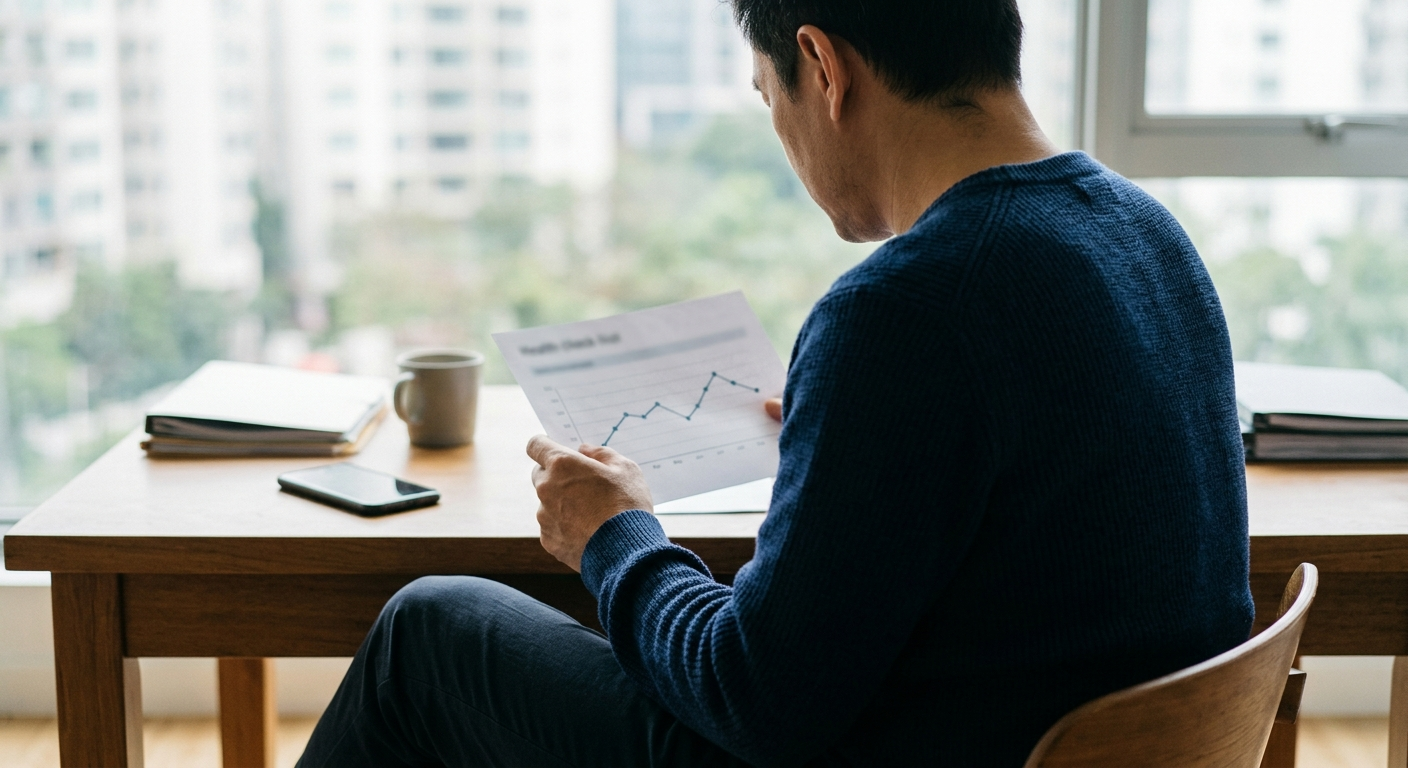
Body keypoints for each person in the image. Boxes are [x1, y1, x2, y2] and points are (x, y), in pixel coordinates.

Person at [297, 0, 1255, 765]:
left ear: (824, 67)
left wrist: (614, 535)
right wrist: (866, 428)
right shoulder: (1147, 234)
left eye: (768, 96)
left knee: (427, 635)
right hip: (1038, 733)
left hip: (905, 746)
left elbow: (755, 699)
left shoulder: (907, 309)